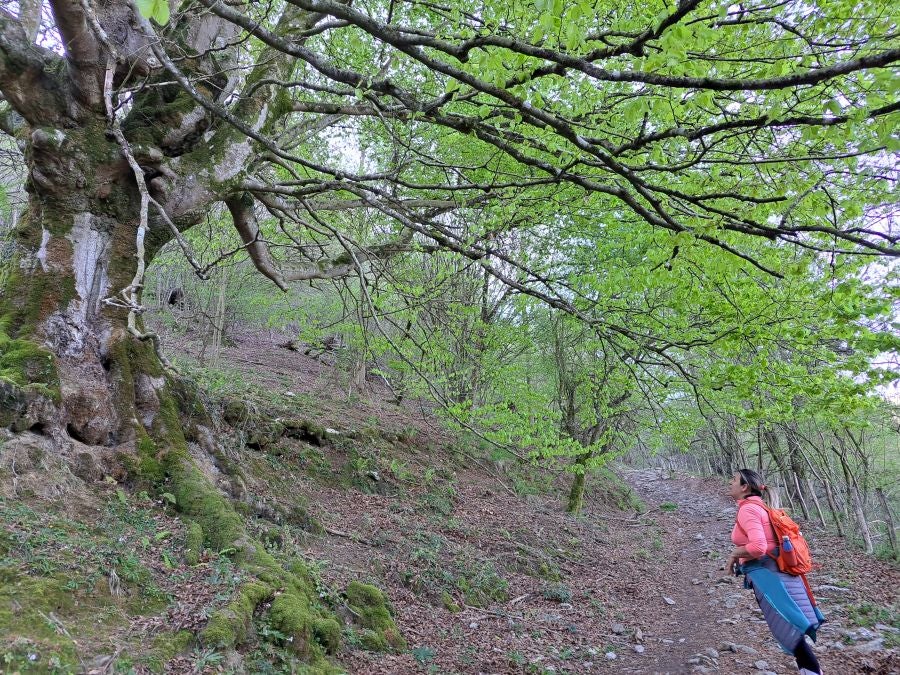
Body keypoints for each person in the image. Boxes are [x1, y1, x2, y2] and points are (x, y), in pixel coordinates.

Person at [726, 468, 825, 675]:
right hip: (781, 575)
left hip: (771, 580)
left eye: (734, 480)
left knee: (791, 634)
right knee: (793, 632)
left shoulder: (748, 510)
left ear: (744, 487)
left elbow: (759, 547)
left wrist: (735, 553)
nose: (730, 482)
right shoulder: (760, 507)